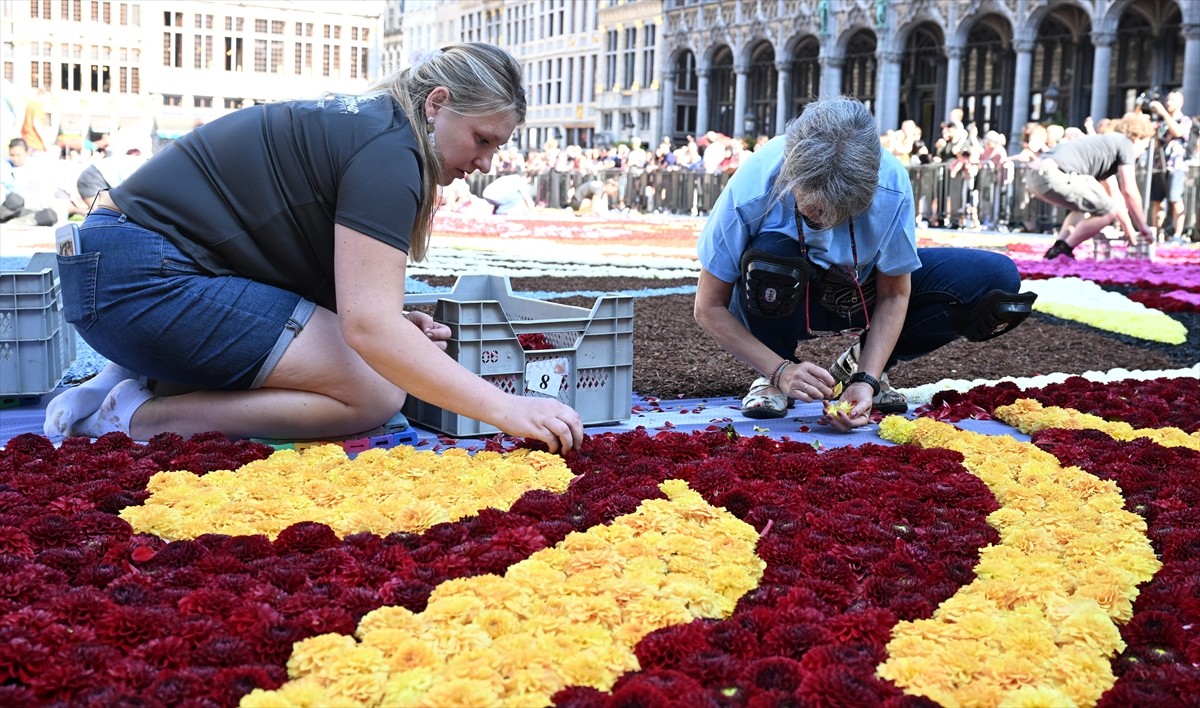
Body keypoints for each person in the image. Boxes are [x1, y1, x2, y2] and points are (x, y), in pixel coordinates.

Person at [45, 43, 583, 453]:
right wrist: (506, 408)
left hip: (118, 273)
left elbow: (349, 304)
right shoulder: (391, 153)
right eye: (482, 140)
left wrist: (389, 326)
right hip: (140, 282)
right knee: (374, 393)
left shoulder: (374, 125)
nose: (485, 163)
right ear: (437, 105)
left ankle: (134, 377)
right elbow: (369, 327)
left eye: (498, 146)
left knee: (369, 363)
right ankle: (135, 418)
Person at [694, 97, 1034, 431]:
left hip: (860, 292)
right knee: (772, 255)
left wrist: (867, 379)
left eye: (842, 215)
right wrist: (779, 369)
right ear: (790, 174)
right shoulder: (755, 183)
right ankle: (773, 372)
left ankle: (858, 362)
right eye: (813, 211)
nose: (826, 223)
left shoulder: (890, 183)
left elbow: (895, 294)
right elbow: (708, 306)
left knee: (996, 280)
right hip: (782, 297)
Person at [1029, 113, 1156, 259]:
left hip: (1035, 175)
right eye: (1144, 146)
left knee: (1086, 208)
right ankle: (1064, 249)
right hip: (1054, 173)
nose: (1141, 153)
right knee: (1107, 212)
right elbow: (1129, 191)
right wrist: (1143, 228)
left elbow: (1115, 195)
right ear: (1138, 137)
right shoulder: (1125, 143)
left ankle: (1057, 249)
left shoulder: (1107, 143)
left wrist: (1129, 229)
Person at [1145, 91, 1192, 243]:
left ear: (1181, 102)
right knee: (1157, 201)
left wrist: (1164, 113)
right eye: (1168, 99)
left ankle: (1177, 235)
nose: (1168, 102)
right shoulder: (1160, 121)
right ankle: (1156, 235)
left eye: (1172, 100)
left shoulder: (1184, 120)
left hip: (1176, 166)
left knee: (1175, 199)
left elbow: (1178, 132)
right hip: (1158, 166)